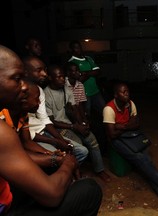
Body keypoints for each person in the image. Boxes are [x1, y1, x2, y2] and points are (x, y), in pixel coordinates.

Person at [0, 44, 102, 215]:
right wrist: (65, 162)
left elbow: (21, 149)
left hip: (9, 192)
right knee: (89, 190)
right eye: (17, 78)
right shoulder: (3, 128)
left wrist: (54, 157)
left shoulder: (19, 114)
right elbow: (51, 195)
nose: (24, 86)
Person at [103, 82, 158, 207]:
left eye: (127, 91)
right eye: (123, 92)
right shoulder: (109, 109)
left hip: (130, 135)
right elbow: (112, 134)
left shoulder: (130, 104)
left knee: (145, 160)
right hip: (116, 141)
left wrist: (121, 126)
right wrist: (128, 125)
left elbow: (137, 124)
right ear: (116, 95)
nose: (127, 94)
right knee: (141, 159)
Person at [44, 64, 111, 182]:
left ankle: (99, 170)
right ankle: (75, 173)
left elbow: (75, 108)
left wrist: (82, 124)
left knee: (91, 139)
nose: (62, 79)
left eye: (62, 76)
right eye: (58, 77)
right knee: (79, 144)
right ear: (50, 78)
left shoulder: (66, 88)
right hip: (59, 128)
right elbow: (51, 122)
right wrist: (73, 126)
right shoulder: (46, 95)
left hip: (72, 123)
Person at [22, 56, 89, 163]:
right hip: (35, 137)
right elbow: (27, 137)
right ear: (25, 72)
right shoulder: (17, 95)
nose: (44, 74)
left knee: (80, 150)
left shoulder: (39, 91)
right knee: (59, 159)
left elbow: (44, 119)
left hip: (44, 131)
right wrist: (57, 142)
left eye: (44, 70)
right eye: (39, 70)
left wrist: (61, 140)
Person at [0, 81, 67, 169]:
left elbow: (27, 142)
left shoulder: (23, 115)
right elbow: (13, 154)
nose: (39, 103)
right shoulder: (2, 117)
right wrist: (54, 159)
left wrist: (50, 153)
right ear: (23, 100)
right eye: (36, 99)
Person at [67, 40, 106, 119]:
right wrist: (91, 73)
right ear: (71, 50)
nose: (79, 49)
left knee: (105, 111)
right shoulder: (71, 62)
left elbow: (98, 71)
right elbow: (79, 80)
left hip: (95, 91)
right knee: (86, 114)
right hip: (83, 94)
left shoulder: (88, 58)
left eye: (80, 47)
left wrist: (85, 73)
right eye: (76, 48)